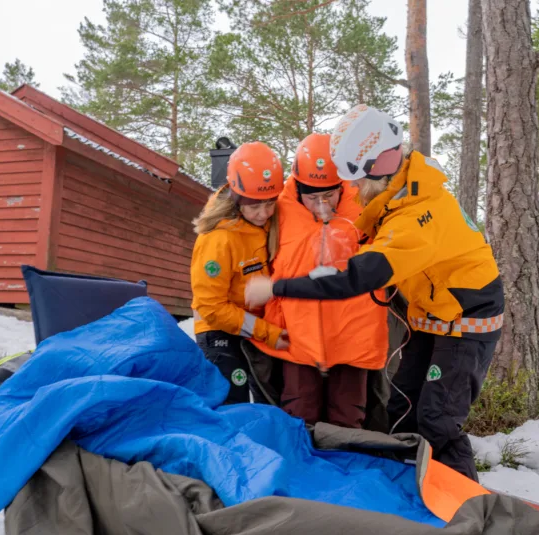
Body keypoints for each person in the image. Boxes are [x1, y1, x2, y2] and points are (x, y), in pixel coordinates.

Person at [245, 105, 505, 480]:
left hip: (463, 321)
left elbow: (358, 277)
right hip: (433, 315)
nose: (350, 191)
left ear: (376, 169)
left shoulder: (417, 216)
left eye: (355, 181)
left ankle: (464, 510)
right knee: (401, 406)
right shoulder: (402, 189)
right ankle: (410, 490)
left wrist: (277, 286)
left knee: (437, 422)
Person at [251, 133, 389, 429]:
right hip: (297, 337)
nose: (322, 204)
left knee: (349, 420)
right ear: (298, 187)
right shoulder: (276, 210)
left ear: (341, 185)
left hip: (354, 336)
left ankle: (347, 475)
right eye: (312, 197)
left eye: (329, 195)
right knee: (298, 417)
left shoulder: (366, 207)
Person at [190, 141, 289, 405]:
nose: (263, 213)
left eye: (270, 204)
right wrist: (266, 331)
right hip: (220, 333)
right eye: (255, 206)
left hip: (257, 332)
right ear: (236, 199)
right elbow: (211, 307)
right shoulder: (219, 239)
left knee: (270, 404)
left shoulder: (271, 222)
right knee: (232, 407)